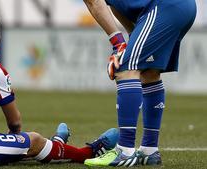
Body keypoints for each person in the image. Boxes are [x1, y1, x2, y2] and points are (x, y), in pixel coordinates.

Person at [0, 16, 119, 166]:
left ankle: (55, 144)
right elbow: (14, 122)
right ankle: (87, 152)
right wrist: (19, 140)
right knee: (33, 139)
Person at [83, 0, 196, 167]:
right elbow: (117, 5)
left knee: (125, 69)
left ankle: (125, 151)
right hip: (180, 6)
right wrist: (130, 40)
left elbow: (93, 2)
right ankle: (149, 151)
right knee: (149, 72)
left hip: (163, 6)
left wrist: (118, 44)